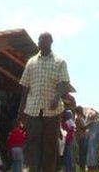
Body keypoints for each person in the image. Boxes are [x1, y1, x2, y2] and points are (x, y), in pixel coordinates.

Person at [17, 32, 72, 172]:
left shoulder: (60, 62)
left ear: (51, 42)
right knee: (32, 144)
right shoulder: (31, 62)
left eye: (45, 39)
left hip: (53, 111)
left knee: (50, 147)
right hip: (33, 110)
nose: (42, 41)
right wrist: (20, 112)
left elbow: (64, 83)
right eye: (40, 39)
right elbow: (25, 88)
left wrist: (56, 96)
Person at [75, 106, 88, 171]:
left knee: (82, 153)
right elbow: (83, 128)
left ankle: (82, 166)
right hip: (81, 138)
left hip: (82, 137)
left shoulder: (81, 118)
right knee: (82, 153)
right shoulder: (78, 119)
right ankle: (82, 166)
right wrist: (90, 123)